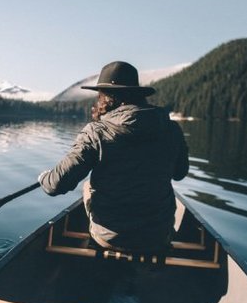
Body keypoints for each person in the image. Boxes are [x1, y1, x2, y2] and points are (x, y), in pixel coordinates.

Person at [38, 61, 189, 252]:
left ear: (107, 98)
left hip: (110, 238)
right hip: (158, 235)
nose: (98, 99)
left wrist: (43, 177)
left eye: (100, 95)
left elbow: (55, 185)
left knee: (87, 186)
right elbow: (180, 174)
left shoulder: (96, 132)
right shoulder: (172, 129)